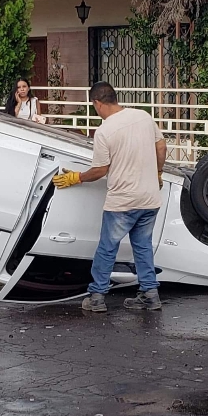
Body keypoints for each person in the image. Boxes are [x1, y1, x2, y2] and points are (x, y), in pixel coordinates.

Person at [52, 81, 167, 312]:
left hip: (122, 202)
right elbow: (161, 146)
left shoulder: (104, 131)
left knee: (107, 248)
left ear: (97, 103)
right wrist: (157, 172)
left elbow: (100, 170)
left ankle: (97, 297)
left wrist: (76, 177)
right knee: (143, 247)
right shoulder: (143, 117)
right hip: (149, 198)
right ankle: (150, 295)